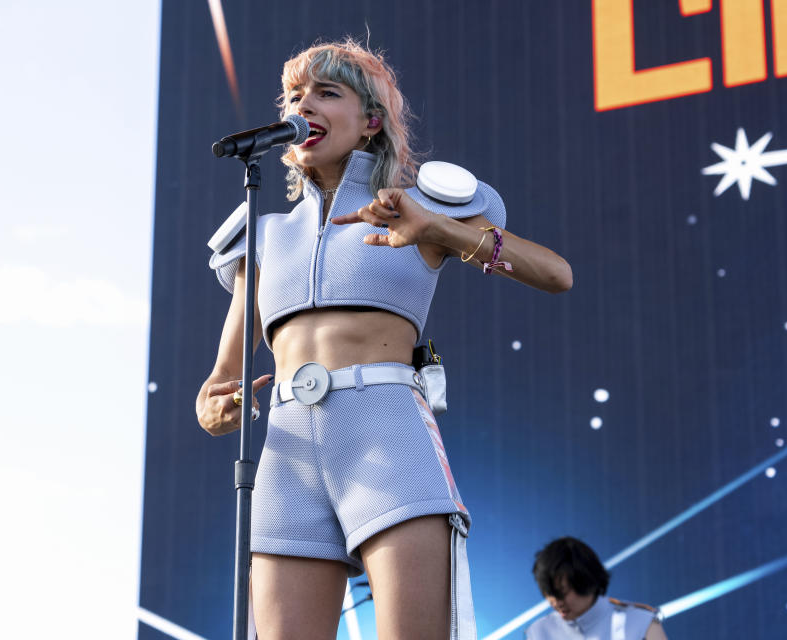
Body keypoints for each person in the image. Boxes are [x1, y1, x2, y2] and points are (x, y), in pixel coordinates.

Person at [196, 37, 572, 640]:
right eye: (295, 95)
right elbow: (217, 384)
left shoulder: (419, 205)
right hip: (286, 454)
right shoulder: (261, 234)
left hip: (386, 435)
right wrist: (215, 408)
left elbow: (556, 275)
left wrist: (440, 227)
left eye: (327, 92)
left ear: (371, 120)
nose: (304, 105)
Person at [526, 537, 668, 640]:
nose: (556, 602)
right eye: (549, 593)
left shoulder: (641, 623)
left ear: (586, 581)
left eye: (562, 592)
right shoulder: (539, 632)